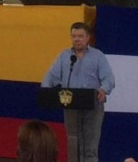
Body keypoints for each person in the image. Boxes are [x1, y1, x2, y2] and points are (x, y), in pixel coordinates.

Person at [41, 21, 115, 162]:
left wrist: (103, 90)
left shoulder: (97, 56)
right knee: (73, 142)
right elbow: (51, 76)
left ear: (88, 38)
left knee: (90, 143)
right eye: (74, 36)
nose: (77, 39)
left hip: (93, 105)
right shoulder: (64, 56)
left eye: (80, 36)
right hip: (70, 105)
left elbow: (109, 79)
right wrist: (45, 90)